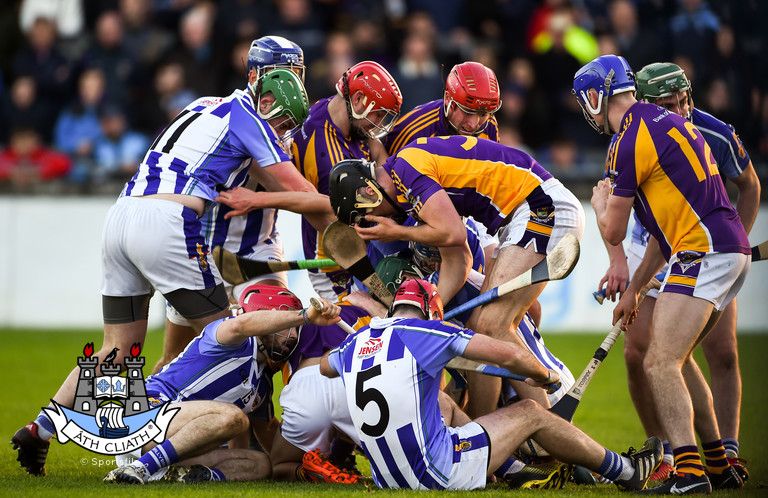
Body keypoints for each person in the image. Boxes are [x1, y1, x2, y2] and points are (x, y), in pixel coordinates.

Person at [11, 47, 316, 477]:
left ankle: (42, 427)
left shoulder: (202, 104)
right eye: (285, 77)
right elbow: (298, 191)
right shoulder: (249, 115)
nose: (288, 92)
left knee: (116, 349)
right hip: (168, 222)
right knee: (233, 343)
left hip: (121, 214)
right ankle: (183, 448)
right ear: (261, 82)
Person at [573, 54, 750, 494]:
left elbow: (614, 229)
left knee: (659, 360)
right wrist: (633, 288)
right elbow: (658, 233)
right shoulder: (665, 121)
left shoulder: (627, 139)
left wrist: (597, 206)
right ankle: (718, 463)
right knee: (679, 358)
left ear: (595, 97)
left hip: (702, 252)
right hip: (719, 249)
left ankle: (688, 473)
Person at [319, 278, 663, 491]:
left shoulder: (354, 344)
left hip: (388, 480)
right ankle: (628, 471)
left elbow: (325, 367)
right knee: (530, 411)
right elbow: (506, 354)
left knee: (442, 403)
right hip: (434, 474)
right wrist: (545, 376)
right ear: (432, 312)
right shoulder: (427, 332)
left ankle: (512, 470)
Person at [328, 138, 585, 419]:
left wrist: (396, 233)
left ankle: (552, 433)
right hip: (523, 214)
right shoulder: (408, 182)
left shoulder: (406, 171)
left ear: (369, 193)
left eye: (367, 217)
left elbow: (454, 234)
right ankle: (485, 434)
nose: (375, 223)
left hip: (540, 207)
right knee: (478, 329)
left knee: (490, 325)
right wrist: (432, 307)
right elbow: (459, 259)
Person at [155, 35, 312, 374]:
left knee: (277, 342)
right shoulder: (223, 113)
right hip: (203, 254)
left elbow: (303, 192)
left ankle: (277, 420)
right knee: (175, 360)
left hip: (257, 250)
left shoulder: (296, 127)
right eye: (282, 72)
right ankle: (152, 419)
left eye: (296, 72)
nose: (292, 82)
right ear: (255, 77)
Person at [102, 285, 342, 484]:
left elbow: (262, 435)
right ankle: (140, 469)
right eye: (284, 326)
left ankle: (178, 476)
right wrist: (304, 316)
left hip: (174, 442)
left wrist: (309, 461)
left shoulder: (261, 384)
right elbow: (241, 325)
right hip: (142, 416)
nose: (291, 336)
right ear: (262, 317)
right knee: (233, 417)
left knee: (259, 464)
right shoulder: (228, 336)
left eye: (295, 329)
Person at [217, 60, 402, 302]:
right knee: (366, 331)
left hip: (359, 245)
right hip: (335, 261)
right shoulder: (327, 157)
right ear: (357, 101)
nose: (377, 126)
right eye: (377, 115)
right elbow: (329, 218)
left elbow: (380, 157)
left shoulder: (334, 112)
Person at [383, 61, 501, 156]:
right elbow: (389, 178)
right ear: (448, 99)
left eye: (483, 114)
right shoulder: (412, 130)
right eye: (468, 112)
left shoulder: (489, 124)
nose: (474, 124)